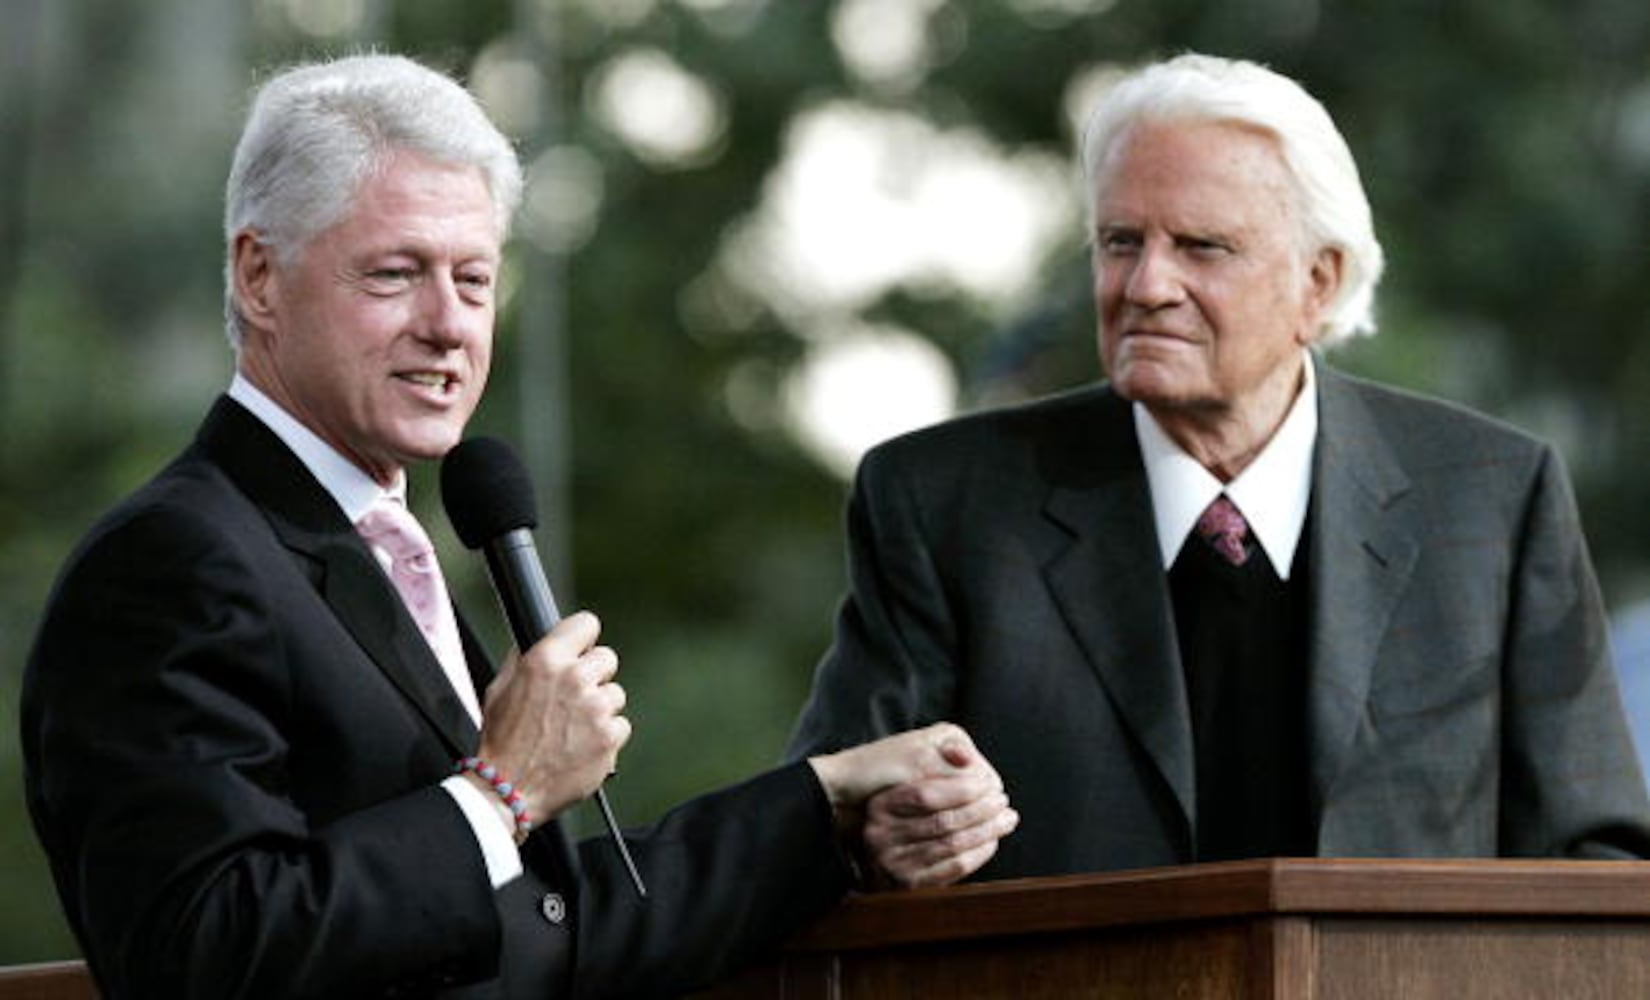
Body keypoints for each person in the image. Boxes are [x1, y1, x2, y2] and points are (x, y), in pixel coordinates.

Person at [20, 54, 1018, 999]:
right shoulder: (172, 560)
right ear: (259, 277)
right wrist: (502, 791)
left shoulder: (372, 546)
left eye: (475, 279)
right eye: (395, 273)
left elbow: (549, 937)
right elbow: (199, 953)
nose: (449, 324)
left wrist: (830, 809)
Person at [786, 52, 1650, 879]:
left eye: (1201, 247)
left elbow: (1594, 859)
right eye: (1120, 242)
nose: (1146, 285)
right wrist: (886, 846)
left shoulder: (1492, 498)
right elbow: (818, 832)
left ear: (1318, 282)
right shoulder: (945, 503)